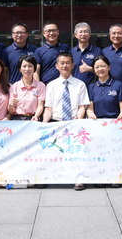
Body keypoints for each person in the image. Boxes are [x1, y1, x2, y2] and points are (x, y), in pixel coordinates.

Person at [42, 52, 90, 190]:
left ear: (73, 65)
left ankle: (79, 179)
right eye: (62, 63)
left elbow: (82, 107)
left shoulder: (80, 84)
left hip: (74, 123)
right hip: (56, 122)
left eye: (68, 63)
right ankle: (45, 177)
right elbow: (48, 108)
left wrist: (77, 121)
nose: (65, 65)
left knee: (76, 152)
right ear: (57, 66)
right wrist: (44, 125)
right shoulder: (51, 85)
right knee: (52, 152)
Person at [86, 55, 122, 120]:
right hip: (97, 122)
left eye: (103, 66)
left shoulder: (118, 85)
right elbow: (90, 109)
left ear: (109, 67)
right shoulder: (91, 87)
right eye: (97, 67)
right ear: (94, 69)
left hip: (115, 121)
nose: (100, 69)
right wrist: (90, 114)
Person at [8, 55, 45, 121]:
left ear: (34, 69)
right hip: (18, 119)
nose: (27, 69)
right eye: (24, 66)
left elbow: (40, 105)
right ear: (20, 69)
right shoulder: (15, 86)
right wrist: (10, 105)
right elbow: (12, 112)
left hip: (34, 119)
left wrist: (36, 116)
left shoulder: (41, 85)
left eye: (30, 66)